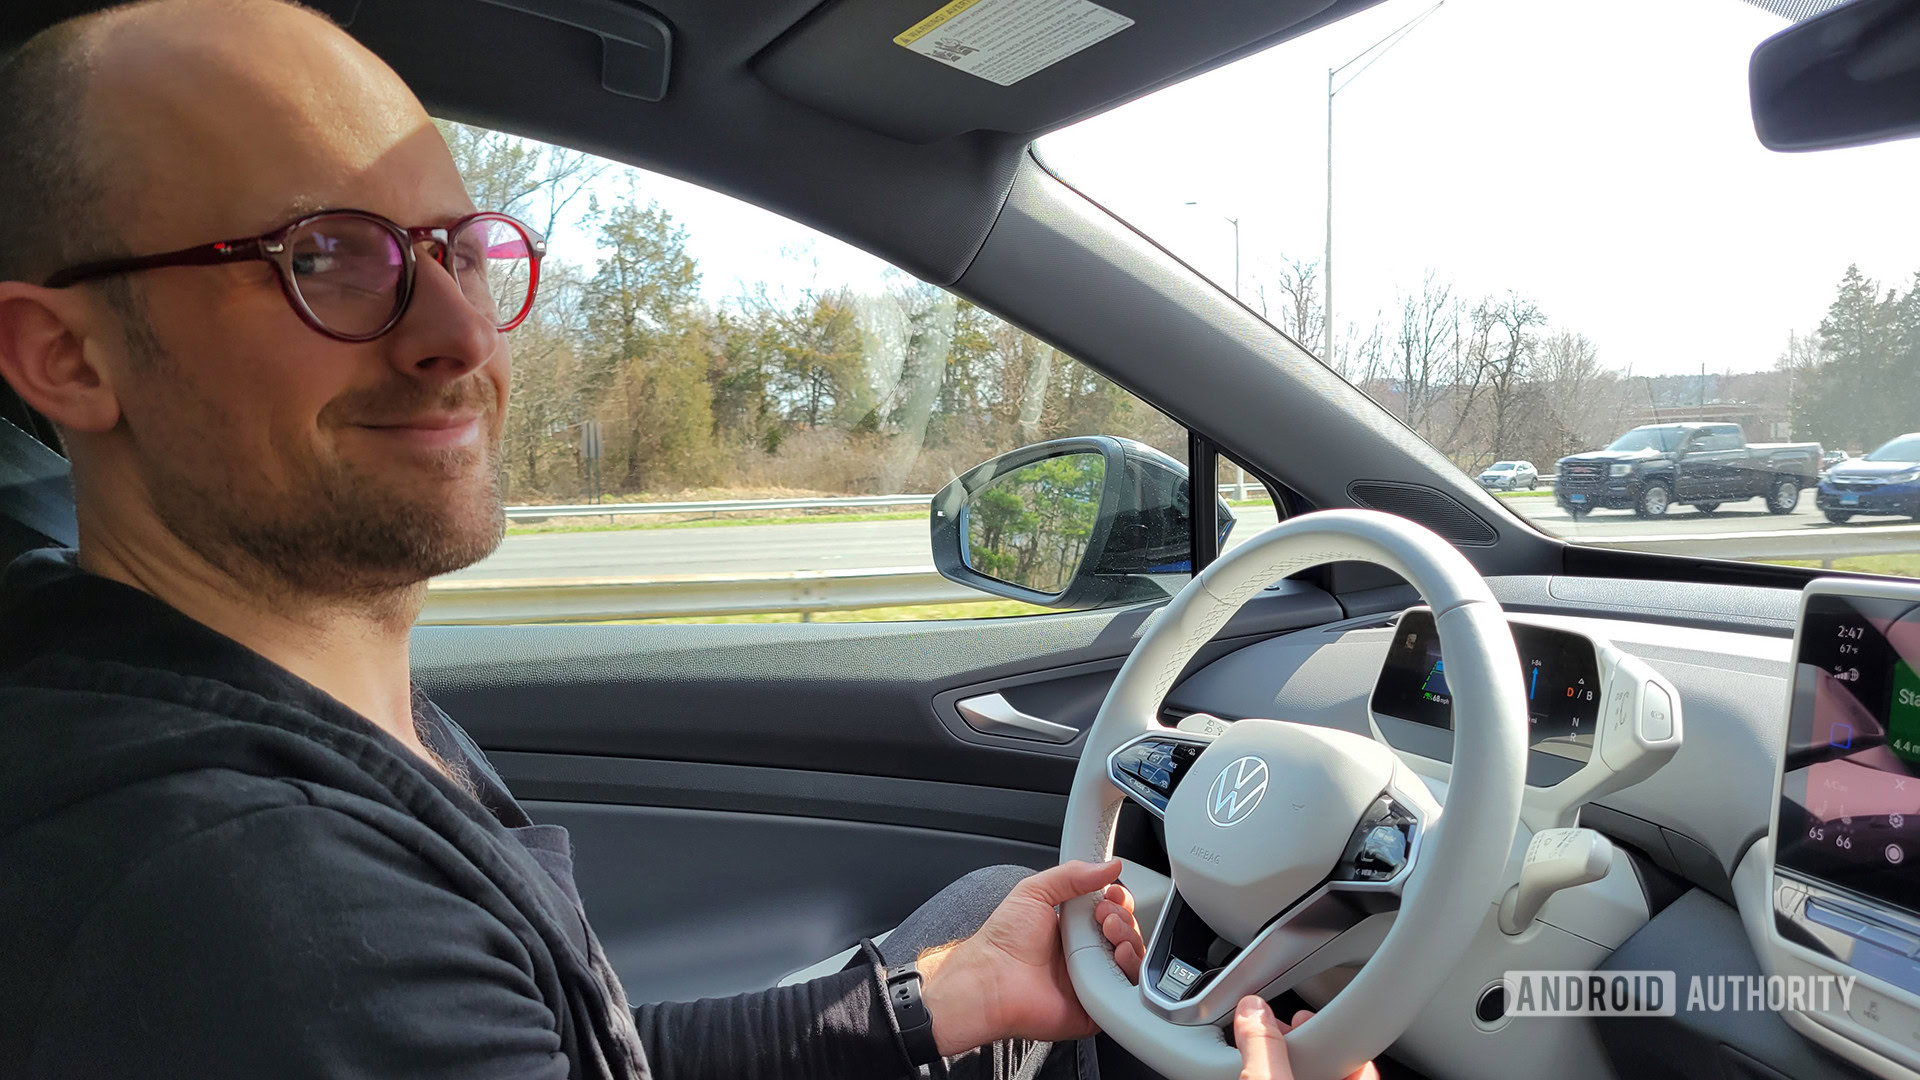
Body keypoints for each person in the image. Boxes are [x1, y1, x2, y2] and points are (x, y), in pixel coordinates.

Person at [0, 2, 1368, 1078]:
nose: (461, 339)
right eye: (324, 257)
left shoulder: (275, 712)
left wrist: (920, 1008)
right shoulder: (254, 904)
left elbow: (568, 1051)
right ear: (64, 356)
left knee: (979, 903)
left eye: (459, 250)